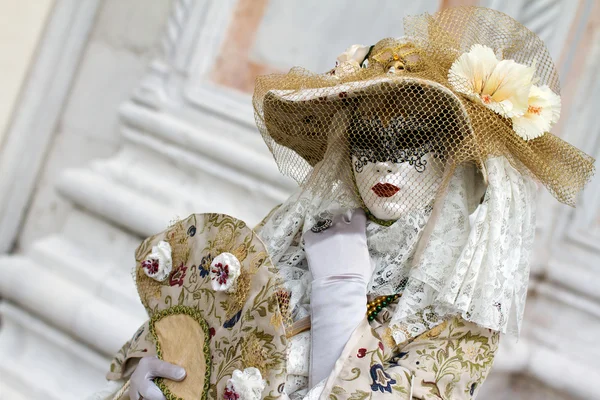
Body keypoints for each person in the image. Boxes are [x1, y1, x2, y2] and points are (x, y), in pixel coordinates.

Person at [92, 6, 594, 400]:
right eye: (367, 143)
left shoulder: (458, 300)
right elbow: (200, 311)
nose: (386, 166)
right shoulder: (299, 228)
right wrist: (149, 367)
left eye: (414, 143)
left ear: (453, 161)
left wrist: (340, 287)